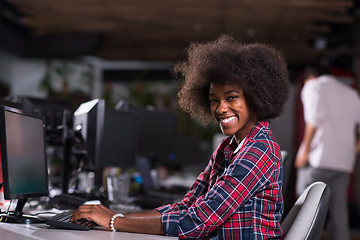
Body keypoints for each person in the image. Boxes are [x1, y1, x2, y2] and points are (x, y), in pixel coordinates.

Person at [71, 35, 290, 239]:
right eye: (214, 100)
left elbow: (196, 222)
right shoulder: (228, 148)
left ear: (257, 98)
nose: (221, 108)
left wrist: (113, 221)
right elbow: (187, 207)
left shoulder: (258, 150)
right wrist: (116, 217)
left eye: (231, 98)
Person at [295, 65, 360, 240]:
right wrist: (354, 148)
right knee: (339, 213)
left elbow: (313, 121)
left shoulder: (313, 86)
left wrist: (305, 152)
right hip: (343, 163)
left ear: (311, 76)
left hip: (317, 160)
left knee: (303, 209)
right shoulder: (350, 93)